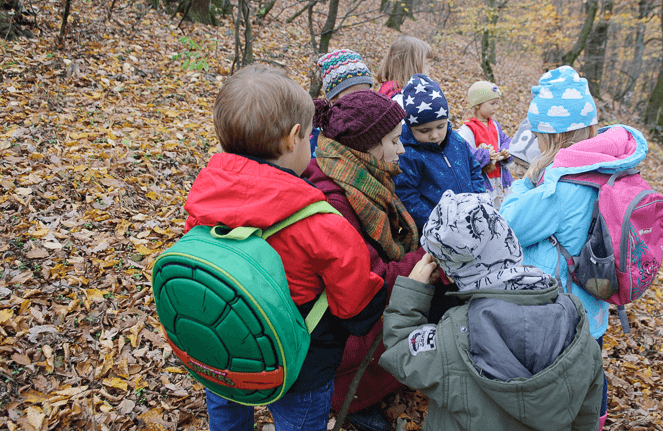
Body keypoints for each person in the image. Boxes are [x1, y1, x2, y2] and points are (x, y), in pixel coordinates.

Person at [184, 64, 387, 431]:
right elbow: (356, 301)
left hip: (221, 346)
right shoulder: (316, 220)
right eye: (312, 135)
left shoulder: (204, 194)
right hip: (298, 365)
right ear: (295, 137)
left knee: (227, 413)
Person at [499, 65, 650, 430]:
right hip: (594, 307)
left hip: (558, 315)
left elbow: (509, 223)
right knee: (590, 376)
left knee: (557, 392)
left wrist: (525, 181)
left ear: (549, 138)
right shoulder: (608, 167)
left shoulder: (563, 185)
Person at [379, 190, 604, 431]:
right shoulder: (578, 330)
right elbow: (586, 419)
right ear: (509, 240)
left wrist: (413, 289)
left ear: (453, 272)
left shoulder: (453, 340)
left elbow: (401, 349)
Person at [302, 90, 425, 431]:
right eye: (394, 141)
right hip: (338, 328)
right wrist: (429, 257)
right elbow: (373, 280)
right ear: (368, 146)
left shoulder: (353, 174)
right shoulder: (336, 200)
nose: (402, 149)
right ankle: (355, 400)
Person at [394, 73, 484, 232]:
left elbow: (474, 169)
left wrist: (478, 200)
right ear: (410, 127)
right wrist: (435, 223)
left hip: (471, 220)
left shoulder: (456, 141)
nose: (434, 135)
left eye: (440, 126)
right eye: (424, 130)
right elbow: (405, 194)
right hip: (437, 231)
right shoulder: (408, 154)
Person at [456, 80, 513, 208]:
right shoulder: (468, 129)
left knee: (504, 207)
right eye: (492, 103)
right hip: (484, 181)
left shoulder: (495, 125)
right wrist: (486, 155)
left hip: (500, 179)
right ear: (477, 105)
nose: (496, 107)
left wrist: (505, 151)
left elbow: (505, 140)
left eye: (497, 103)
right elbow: (464, 151)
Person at [310, 49, 375, 156]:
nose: (363, 102)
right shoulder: (319, 139)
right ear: (333, 100)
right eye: (354, 97)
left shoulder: (378, 128)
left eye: (368, 94)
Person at [375, 35, 433, 105]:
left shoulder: (388, 87)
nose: (430, 68)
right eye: (426, 63)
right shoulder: (401, 96)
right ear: (411, 67)